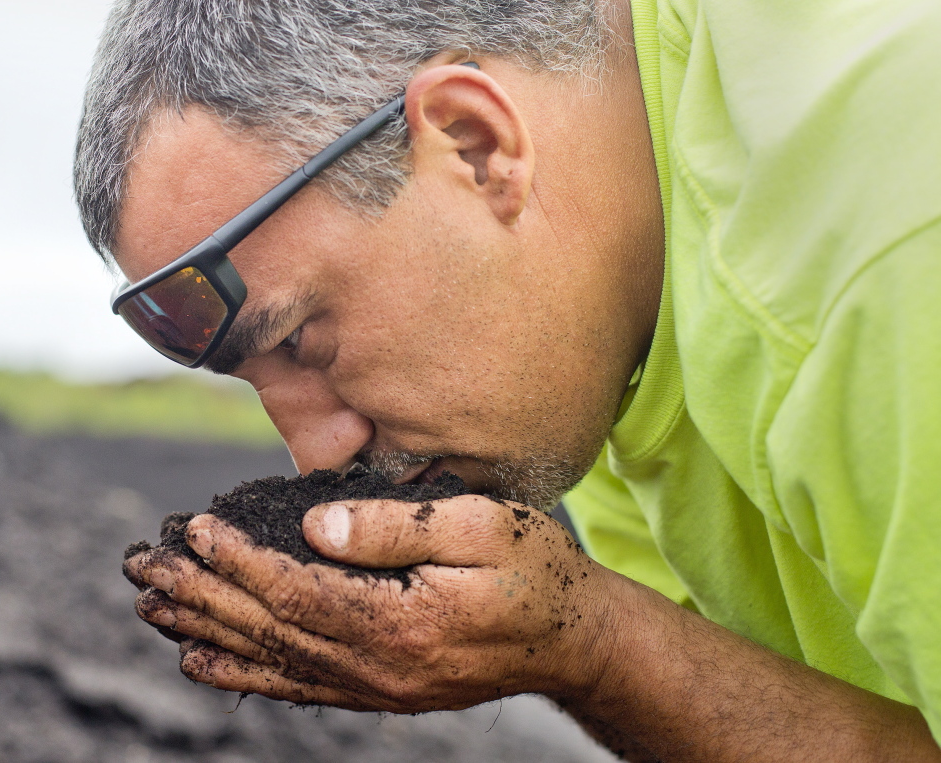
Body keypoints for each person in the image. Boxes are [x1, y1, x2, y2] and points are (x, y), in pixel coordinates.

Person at [75, 0, 941, 759]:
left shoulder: (888, 247)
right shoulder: (582, 330)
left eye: (303, 339)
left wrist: (600, 649)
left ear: (475, 143)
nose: (315, 454)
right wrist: (588, 646)